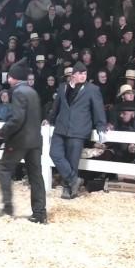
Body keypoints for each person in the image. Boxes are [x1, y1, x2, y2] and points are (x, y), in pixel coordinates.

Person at [0, 58, 46, 224]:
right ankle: (39, 213)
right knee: (36, 176)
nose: (8, 79)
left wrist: (2, 132)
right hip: (35, 141)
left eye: (9, 76)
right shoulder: (33, 92)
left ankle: (8, 206)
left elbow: (17, 119)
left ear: (15, 77)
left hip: (19, 141)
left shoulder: (17, 92)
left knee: (3, 169)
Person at [48, 61, 107, 200]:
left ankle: (69, 189)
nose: (83, 75)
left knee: (72, 160)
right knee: (54, 153)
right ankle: (74, 179)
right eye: (80, 73)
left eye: (85, 73)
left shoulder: (92, 89)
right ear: (73, 75)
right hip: (61, 127)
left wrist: (101, 126)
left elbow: (98, 109)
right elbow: (56, 107)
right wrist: (49, 119)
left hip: (79, 129)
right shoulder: (63, 87)